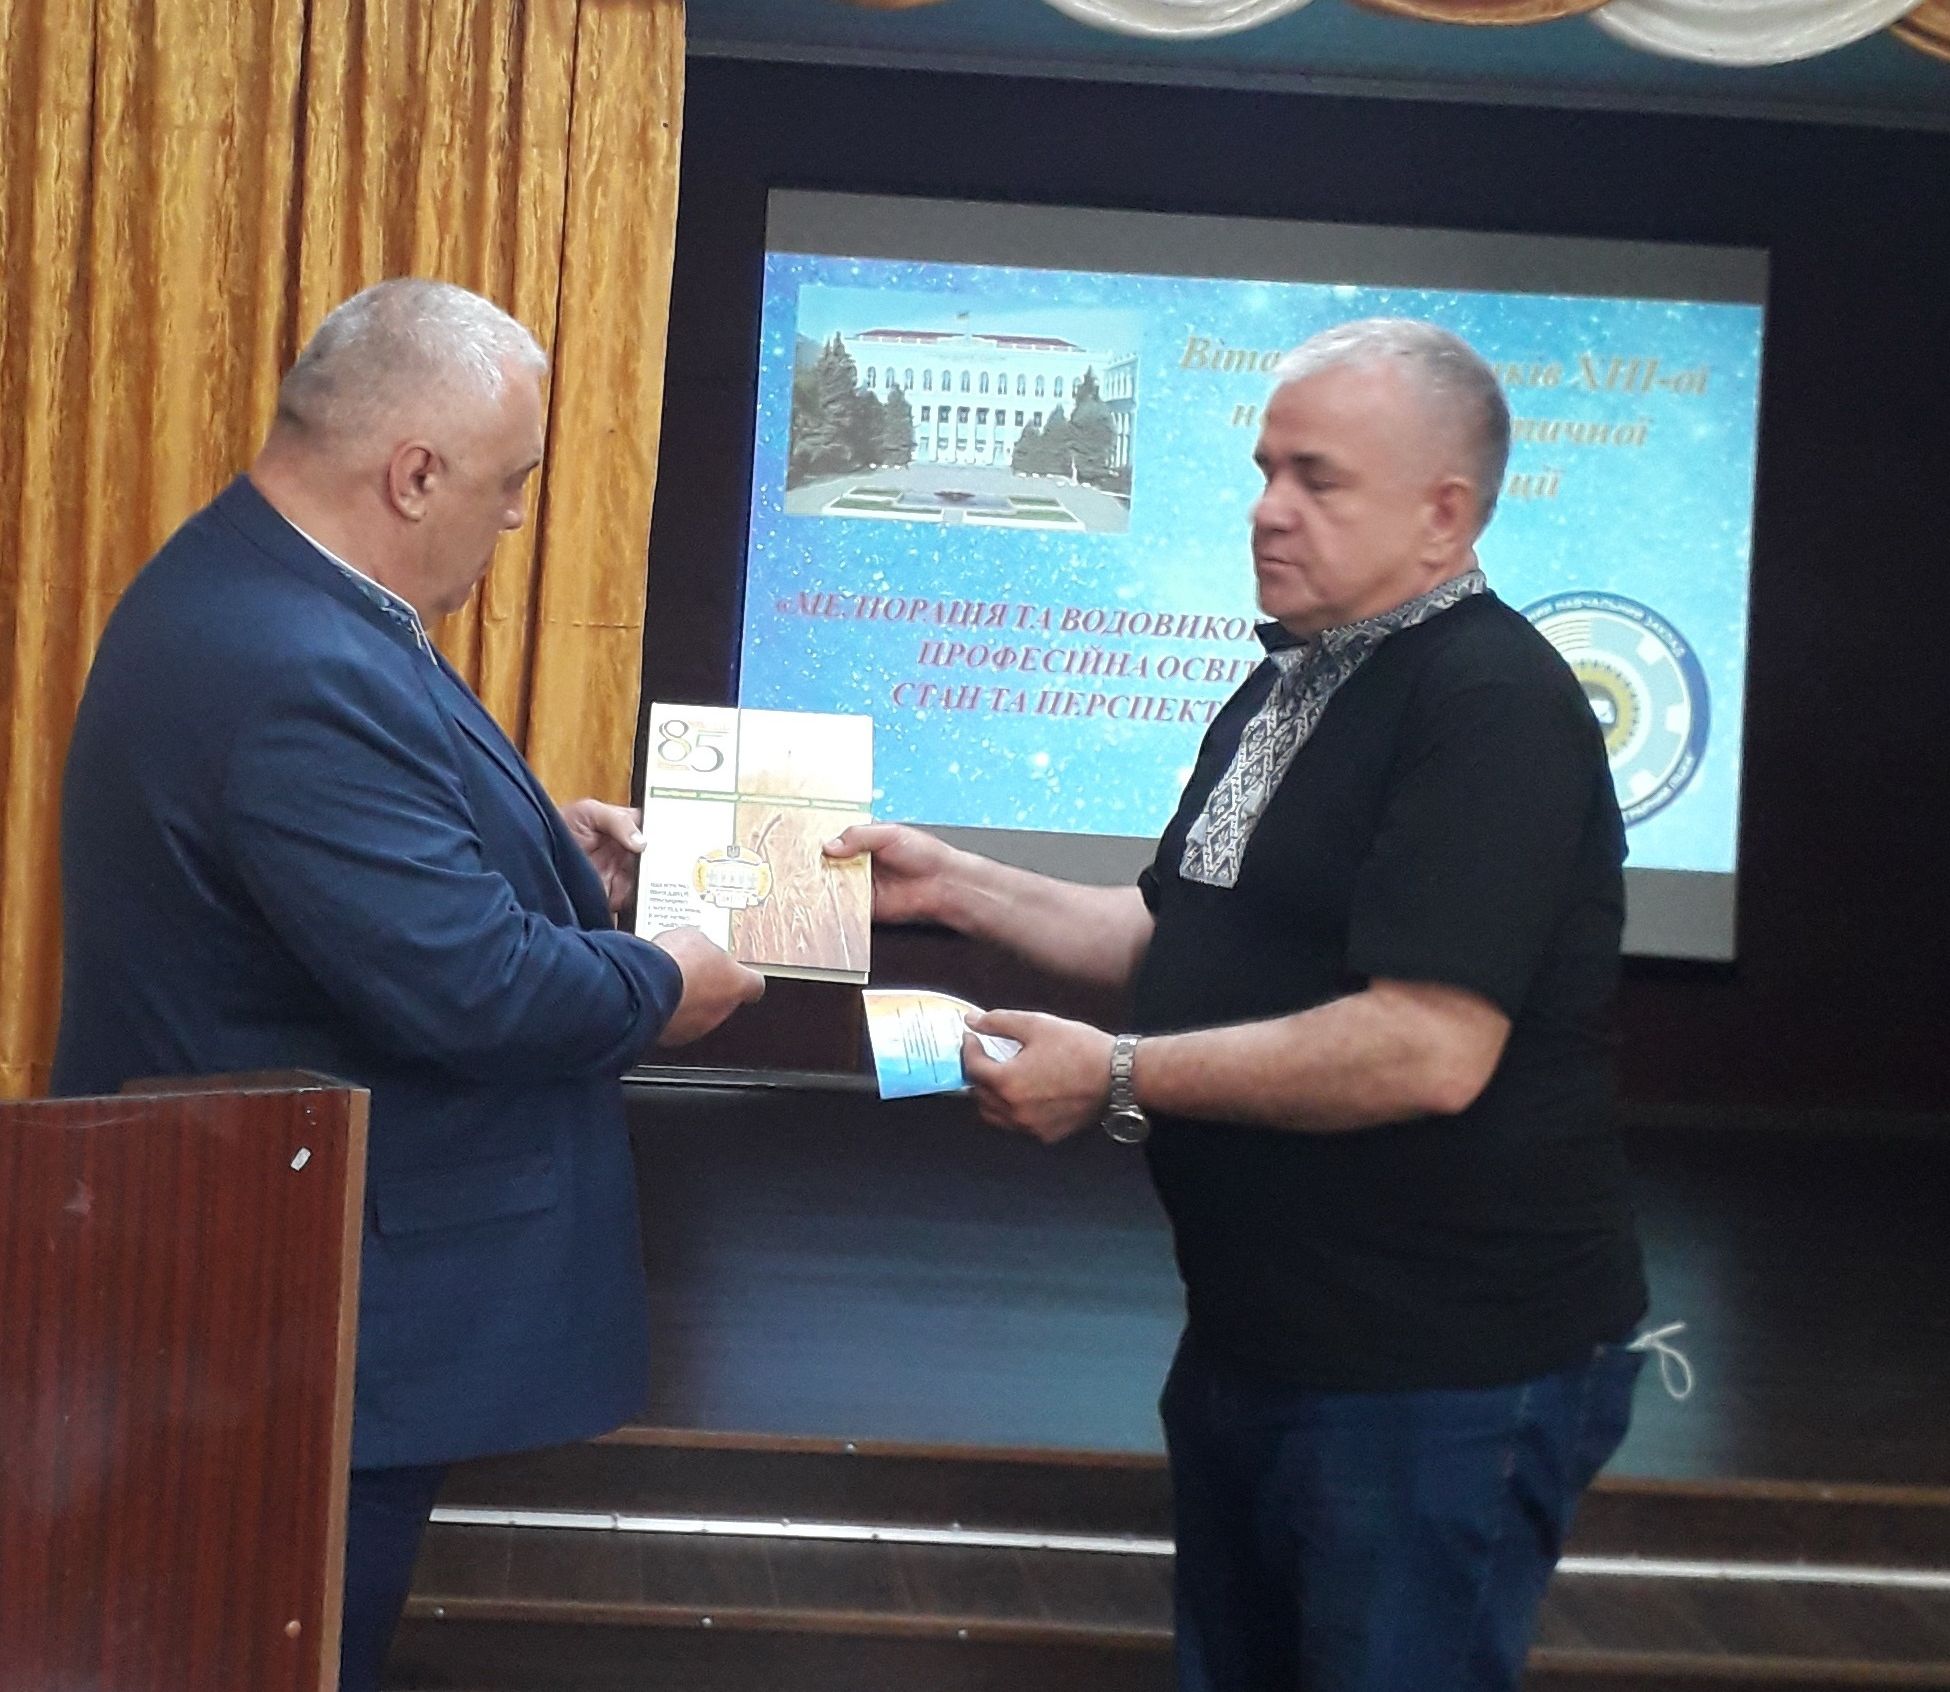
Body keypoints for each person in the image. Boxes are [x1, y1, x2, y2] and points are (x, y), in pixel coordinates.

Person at [829, 318, 1650, 1691]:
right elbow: (1181, 935)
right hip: (1262, 1338)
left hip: (1430, 1370)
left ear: (1444, 516)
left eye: (1317, 480)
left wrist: (1117, 1077)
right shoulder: (1295, 676)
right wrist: (952, 886)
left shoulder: (1490, 701)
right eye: (1266, 470)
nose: (1268, 509)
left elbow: (1428, 1047)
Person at [50, 278, 765, 1691]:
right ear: (416, 474)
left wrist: (543, 861)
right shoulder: (291, 659)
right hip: (291, 1321)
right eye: (510, 485)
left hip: (268, 1296)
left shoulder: (261, 588)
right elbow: (473, 988)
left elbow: (350, 883)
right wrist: (661, 980)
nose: (517, 519)